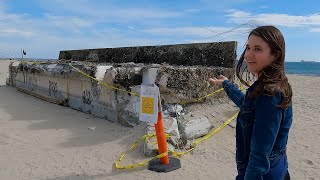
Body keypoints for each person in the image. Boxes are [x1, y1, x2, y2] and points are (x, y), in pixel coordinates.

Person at [209, 25, 292, 180]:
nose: (249, 55)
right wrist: (227, 85)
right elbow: (249, 107)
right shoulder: (275, 84)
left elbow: (259, 154)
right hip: (278, 167)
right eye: (248, 47)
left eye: (257, 49)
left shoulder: (269, 93)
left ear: (275, 55)